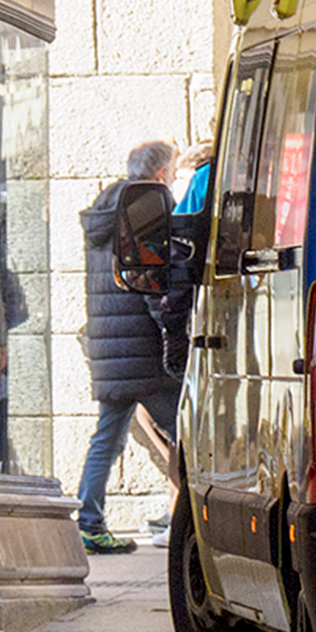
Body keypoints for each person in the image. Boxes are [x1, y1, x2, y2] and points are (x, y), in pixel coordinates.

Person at [76, 139, 183, 555]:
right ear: (159, 175)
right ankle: (187, 520)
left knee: (108, 435)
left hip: (111, 349)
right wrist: (172, 333)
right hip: (142, 349)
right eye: (172, 173)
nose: (173, 180)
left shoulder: (105, 207)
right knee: (187, 432)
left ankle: (88, 521)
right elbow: (150, 284)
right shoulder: (145, 206)